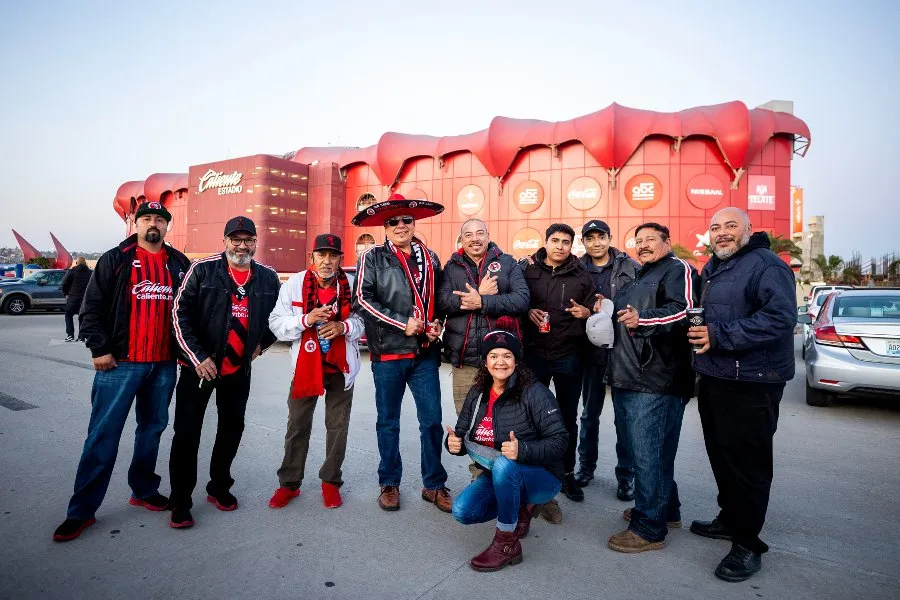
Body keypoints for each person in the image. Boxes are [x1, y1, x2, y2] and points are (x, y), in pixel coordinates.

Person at [53, 201, 190, 542]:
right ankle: (81, 511)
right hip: (120, 363)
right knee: (103, 435)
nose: (153, 224)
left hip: (162, 364)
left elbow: (188, 309)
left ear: (167, 226)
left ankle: (143, 489)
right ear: (136, 223)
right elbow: (92, 306)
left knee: (152, 430)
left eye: (159, 219)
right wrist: (98, 348)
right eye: (146, 218)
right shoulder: (117, 259)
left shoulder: (177, 263)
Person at [687, 207, 796, 582]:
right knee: (721, 455)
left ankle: (748, 544)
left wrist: (720, 335)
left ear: (749, 230)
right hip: (716, 377)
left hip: (753, 382)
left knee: (748, 466)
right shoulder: (714, 267)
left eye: (731, 226)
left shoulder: (767, 265)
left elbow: (781, 319)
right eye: (715, 228)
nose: (722, 233)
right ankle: (730, 519)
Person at [168, 216, 280, 529]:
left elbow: (280, 317)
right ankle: (180, 501)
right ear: (225, 241)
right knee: (187, 433)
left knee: (232, 429)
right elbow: (179, 315)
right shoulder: (202, 270)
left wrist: (262, 345)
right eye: (236, 239)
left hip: (237, 370)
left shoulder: (268, 279)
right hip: (200, 368)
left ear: (256, 243)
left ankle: (219, 486)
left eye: (248, 239)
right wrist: (197, 356)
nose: (242, 245)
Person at [351, 194, 451, 513]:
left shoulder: (431, 257)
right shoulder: (373, 257)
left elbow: (441, 299)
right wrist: (400, 322)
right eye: (393, 221)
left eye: (406, 220)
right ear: (385, 225)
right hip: (389, 354)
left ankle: (433, 484)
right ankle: (389, 483)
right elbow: (362, 301)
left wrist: (437, 323)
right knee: (388, 422)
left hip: (424, 354)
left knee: (432, 420)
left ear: (414, 222)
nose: (400, 225)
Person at [605, 222, 699, 553]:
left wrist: (643, 320)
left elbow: (687, 312)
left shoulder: (678, 269)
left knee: (649, 454)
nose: (643, 245)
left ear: (667, 242)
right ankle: (664, 509)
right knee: (648, 452)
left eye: (650, 239)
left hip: (657, 380)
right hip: (628, 377)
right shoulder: (641, 276)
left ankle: (649, 527)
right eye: (638, 240)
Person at [446, 319, 567, 572]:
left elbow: (560, 441)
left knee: (503, 464)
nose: (500, 362)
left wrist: (523, 450)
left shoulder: (535, 392)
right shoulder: (477, 393)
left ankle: (507, 543)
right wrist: (452, 444)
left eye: (507, 356)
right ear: (485, 361)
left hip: (542, 475)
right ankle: (521, 506)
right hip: (502, 473)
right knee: (462, 511)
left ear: (517, 360)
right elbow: (461, 433)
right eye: (493, 355)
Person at [267, 234, 365, 510]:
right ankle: (289, 483)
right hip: (305, 368)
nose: (326, 261)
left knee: (337, 428)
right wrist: (305, 319)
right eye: (321, 255)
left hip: (340, 366)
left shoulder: (352, 285)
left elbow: (363, 323)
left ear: (340, 260)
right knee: (297, 425)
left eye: (333, 255)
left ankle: (330, 482)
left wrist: (343, 328)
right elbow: (276, 323)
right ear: (312, 259)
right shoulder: (295, 284)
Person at [437, 218, 529, 478]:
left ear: (488, 235)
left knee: (511, 422)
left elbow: (522, 300)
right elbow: (442, 302)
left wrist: (483, 301)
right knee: (472, 425)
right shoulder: (452, 266)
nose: (474, 238)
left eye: (480, 233)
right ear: (461, 238)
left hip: (503, 360)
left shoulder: (508, 263)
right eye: (468, 234)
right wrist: (477, 294)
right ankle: (481, 477)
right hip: (465, 360)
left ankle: (513, 478)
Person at [521, 223, 596, 514]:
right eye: (555, 240)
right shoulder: (527, 269)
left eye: (566, 242)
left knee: (566, 419)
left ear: (571, 245)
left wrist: (586, 312)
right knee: (531, 417)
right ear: (546, 241)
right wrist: (527, 311)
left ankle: (566, 474)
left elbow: (594, 308)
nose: (560, 246)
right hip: (534, 354)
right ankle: (533, 472)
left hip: (569, 355)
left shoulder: (582, 274)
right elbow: (515, 301)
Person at [573, 220, 640, 501]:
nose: (596, 243)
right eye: (590, 238)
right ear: (584, 242)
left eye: (601, 237)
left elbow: (643, 301)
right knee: (589, 415)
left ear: (610, 239)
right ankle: (585, 468)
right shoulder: (576, 267)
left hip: (624, 352)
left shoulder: (631, 267)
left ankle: (626, 476)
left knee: (625, 419)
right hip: (591, 353)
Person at [61, 256, 92, 342]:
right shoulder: (90, 273)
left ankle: (70, 335)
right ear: (85, 263)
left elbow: (64, 283)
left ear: (76, 263)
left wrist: (65, 293)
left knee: (68, 315)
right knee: (82, 317)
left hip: (72, 298)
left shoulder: (71, 272)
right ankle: (81, 337)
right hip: (84, 300)